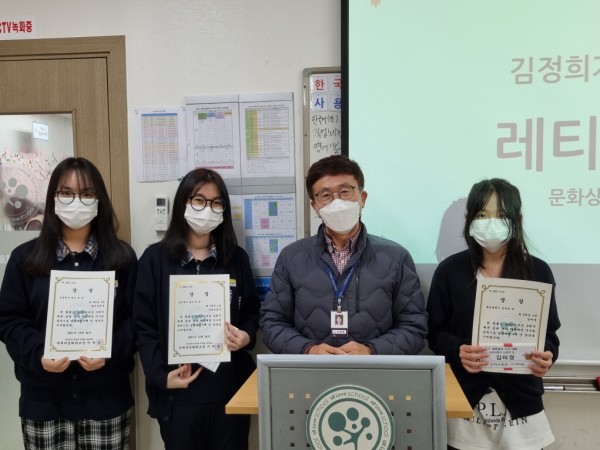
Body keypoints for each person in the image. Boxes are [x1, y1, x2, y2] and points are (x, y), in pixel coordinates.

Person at [0, 157, 138, 449]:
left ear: (99, 200)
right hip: (43, 403)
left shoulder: (122, 259)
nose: (76, 201)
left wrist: (109, 353)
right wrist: (39, 353)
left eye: (86, 194)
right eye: (66, 193)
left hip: (105, 400)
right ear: (53, 198)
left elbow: (136, 322)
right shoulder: (25, 259)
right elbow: (9, 321)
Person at [426, 178, 561, 450]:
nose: (491, 223)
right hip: (465, 403)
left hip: (522, 403)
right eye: (481, 215)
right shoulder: (449, 271)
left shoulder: (537, 271)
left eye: (501, 215)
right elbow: (435, 333)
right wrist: (458, 350)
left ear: (517, 219)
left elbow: (549, 335)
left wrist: (547, 355)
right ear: (468, 220)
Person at [134, 168, 260, 450]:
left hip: (228, 391)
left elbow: (252, 310)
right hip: (178, 393)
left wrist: (246, 336)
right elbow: (143, 326)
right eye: (199, 200)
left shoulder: (235, 258)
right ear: (183, 203)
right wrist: (160, 376)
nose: (208, 209)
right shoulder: (154, 259)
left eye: (216, 203)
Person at [260, 154, 427, 355]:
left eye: (345, 192)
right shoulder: (291, 257)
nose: (337, 202)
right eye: (325, 195)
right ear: (315, 206)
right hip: (312, 370)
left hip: (374, 371)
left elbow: (414, 327)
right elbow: (272, 323)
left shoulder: (396, 258)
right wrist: (309, 350)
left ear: (362, 198)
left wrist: (371, 351)